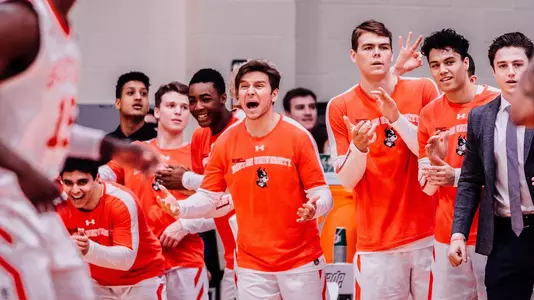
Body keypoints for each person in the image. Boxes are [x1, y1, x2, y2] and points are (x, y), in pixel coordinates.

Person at [0, 1, 160, 299]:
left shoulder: (64, 33)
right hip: (6, 204)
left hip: (36, 208)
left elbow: (47, 128)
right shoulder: (17, 21)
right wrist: (23, 172)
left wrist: (112, 147)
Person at [158, 59, 333, 300]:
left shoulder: (297, 136)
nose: (250, 91)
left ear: (273, 94)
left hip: (300, 260)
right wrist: (180, 208)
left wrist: (315, 207)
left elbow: (323, 193)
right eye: (244, 86)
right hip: (251, 264)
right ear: (237, 95)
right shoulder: (226, 142)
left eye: (259, 85)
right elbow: (210, 197)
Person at [326, 20, 439, 299]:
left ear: (391, 54)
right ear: (354, 55)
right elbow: (348, 179)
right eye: (368, 48)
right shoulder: (340, 106)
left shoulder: (423, 89)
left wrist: (396, 119)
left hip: (430, 235)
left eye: (383, 47)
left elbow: (434, 154)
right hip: (377, 242)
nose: (376, 53)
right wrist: (360, 149)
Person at [100, 81, 214, 299]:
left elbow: (219, 208)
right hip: (143, 265)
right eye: (171, 106)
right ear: (157, 112)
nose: (178, 112)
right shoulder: (137, 151)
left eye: (183, 107)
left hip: (186, 260)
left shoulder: (199, 155)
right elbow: (100, 177)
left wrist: (185, 225)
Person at [447, 32, 534, 300]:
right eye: (503, 66)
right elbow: (470, 180)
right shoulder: (480, 117)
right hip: (503, 234)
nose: (511, 73)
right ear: (494, 71)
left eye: (518, 65)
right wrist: (458, 233)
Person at [418, 28, 500, 300]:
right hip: (448, 235)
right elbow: (427, 188)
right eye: (435, 65)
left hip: (494, 235)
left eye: (450, 62)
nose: (443, 70)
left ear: (465, 63)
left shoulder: (498, 103)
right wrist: (434, 162)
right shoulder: (428, 114)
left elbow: (512, 174)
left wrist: (455, 174)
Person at [58, 158, 166, 299]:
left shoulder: (121, 201)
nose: (75, 190)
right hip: (97, 281)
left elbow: (126, 260)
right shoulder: (59, 205)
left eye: (82, 182)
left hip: (141, 278)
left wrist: (88, 249)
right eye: (68, 183)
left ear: (97, 178)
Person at [184, 68, 245, 300]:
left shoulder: (243, 128)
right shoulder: (199, 138)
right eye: (192, 101)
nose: (198, 107)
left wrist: (186, 179)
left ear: (223, 98)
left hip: (261, 255)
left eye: (205, 99)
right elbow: (208, 197)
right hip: (231, 256)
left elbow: (239, 189)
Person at [107, 71, 157, 142]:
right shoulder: (107, 143)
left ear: (148, 105)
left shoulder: (159, 141)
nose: (138, 97)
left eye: (143, 93)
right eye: (130, 93)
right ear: (118, 103)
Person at [283, 87, 329, 153]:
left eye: (312, 107)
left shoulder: (327, 137)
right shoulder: (280, 141)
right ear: (288, 114)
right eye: (300, 108)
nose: (308, 112)